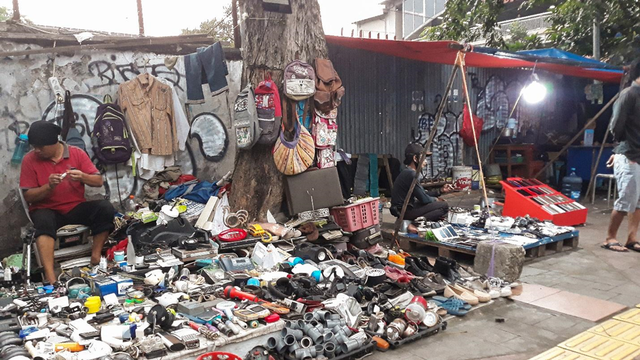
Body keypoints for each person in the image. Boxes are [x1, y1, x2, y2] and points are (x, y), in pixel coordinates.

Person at [20, 121, 115, 283]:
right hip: (47, 210)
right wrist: (48, 187)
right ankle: (50, 277)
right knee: (42, 220)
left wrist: (82, 176)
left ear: (53, 143)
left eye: (40, 147)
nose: (36, 150)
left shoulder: (76, 154)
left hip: (75, 207)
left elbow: (98, 181)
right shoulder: (29, 160)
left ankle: (95, 256)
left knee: (105, 208)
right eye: (34, 146)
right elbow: (29, 196)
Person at [602, 58, 640, 252]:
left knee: (638, 200)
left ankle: (632, 237)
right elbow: (616, 126)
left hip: (637, 155)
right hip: (629, 154)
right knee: (626, 198)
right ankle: (610, 237)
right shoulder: (629, 95)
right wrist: (620, 149)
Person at [390, 143, 453, 222]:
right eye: (423, 159)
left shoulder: (407, 172)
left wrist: (440, 190)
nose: (425, 162)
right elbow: (424, 199)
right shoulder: (412, 175)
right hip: (404, 211)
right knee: (444, 206)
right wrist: (436, 200)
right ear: (415, 158)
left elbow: (422, 194)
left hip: (404, 208)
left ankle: (417, 221)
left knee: (436, 207)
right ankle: (414, 224)